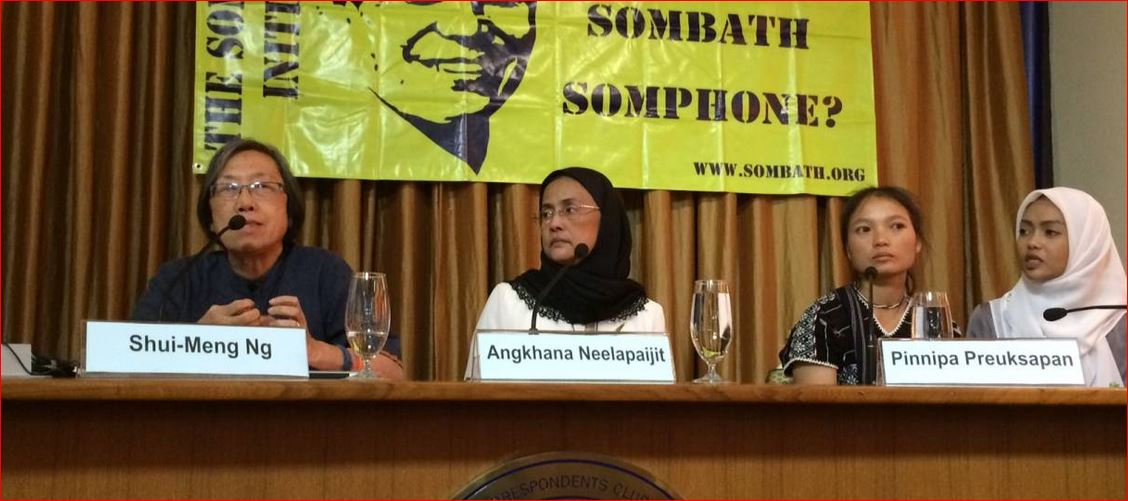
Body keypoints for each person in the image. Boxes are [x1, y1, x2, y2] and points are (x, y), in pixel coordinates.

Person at [132, 138, 404, 379]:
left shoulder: (325, 272)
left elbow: (391, 371)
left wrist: (315, 351)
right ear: (210, 217)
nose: (245, 202)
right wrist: (198, 341)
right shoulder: (178, 279)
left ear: (289, 208)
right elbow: (125, 364)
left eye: (261, 186)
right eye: (229, 188)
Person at [778, 186, 959, 385]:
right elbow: (818, 412)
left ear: (917, 242)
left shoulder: (936, 321)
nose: (881, 240)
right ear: (847, 249)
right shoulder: (823, 318)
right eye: (864, 229)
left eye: (896, 226)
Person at [334, 1, 538, 173]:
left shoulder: (525, 156)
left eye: (502, 2)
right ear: (354, 14)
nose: (467, 28)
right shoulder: (336, 147)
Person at [967, 187, 1126, 387]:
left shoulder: (1119, 321)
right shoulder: (992, 320)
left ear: (1087, 243)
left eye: (1050, 232)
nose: (1032, 242)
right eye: (1024, 231)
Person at [475, 167, 666, 333]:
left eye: (570, 209)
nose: (554, 223)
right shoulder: (508, 301)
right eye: (546, 213)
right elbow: (476, 375)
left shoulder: (647, 316)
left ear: (607, 220)